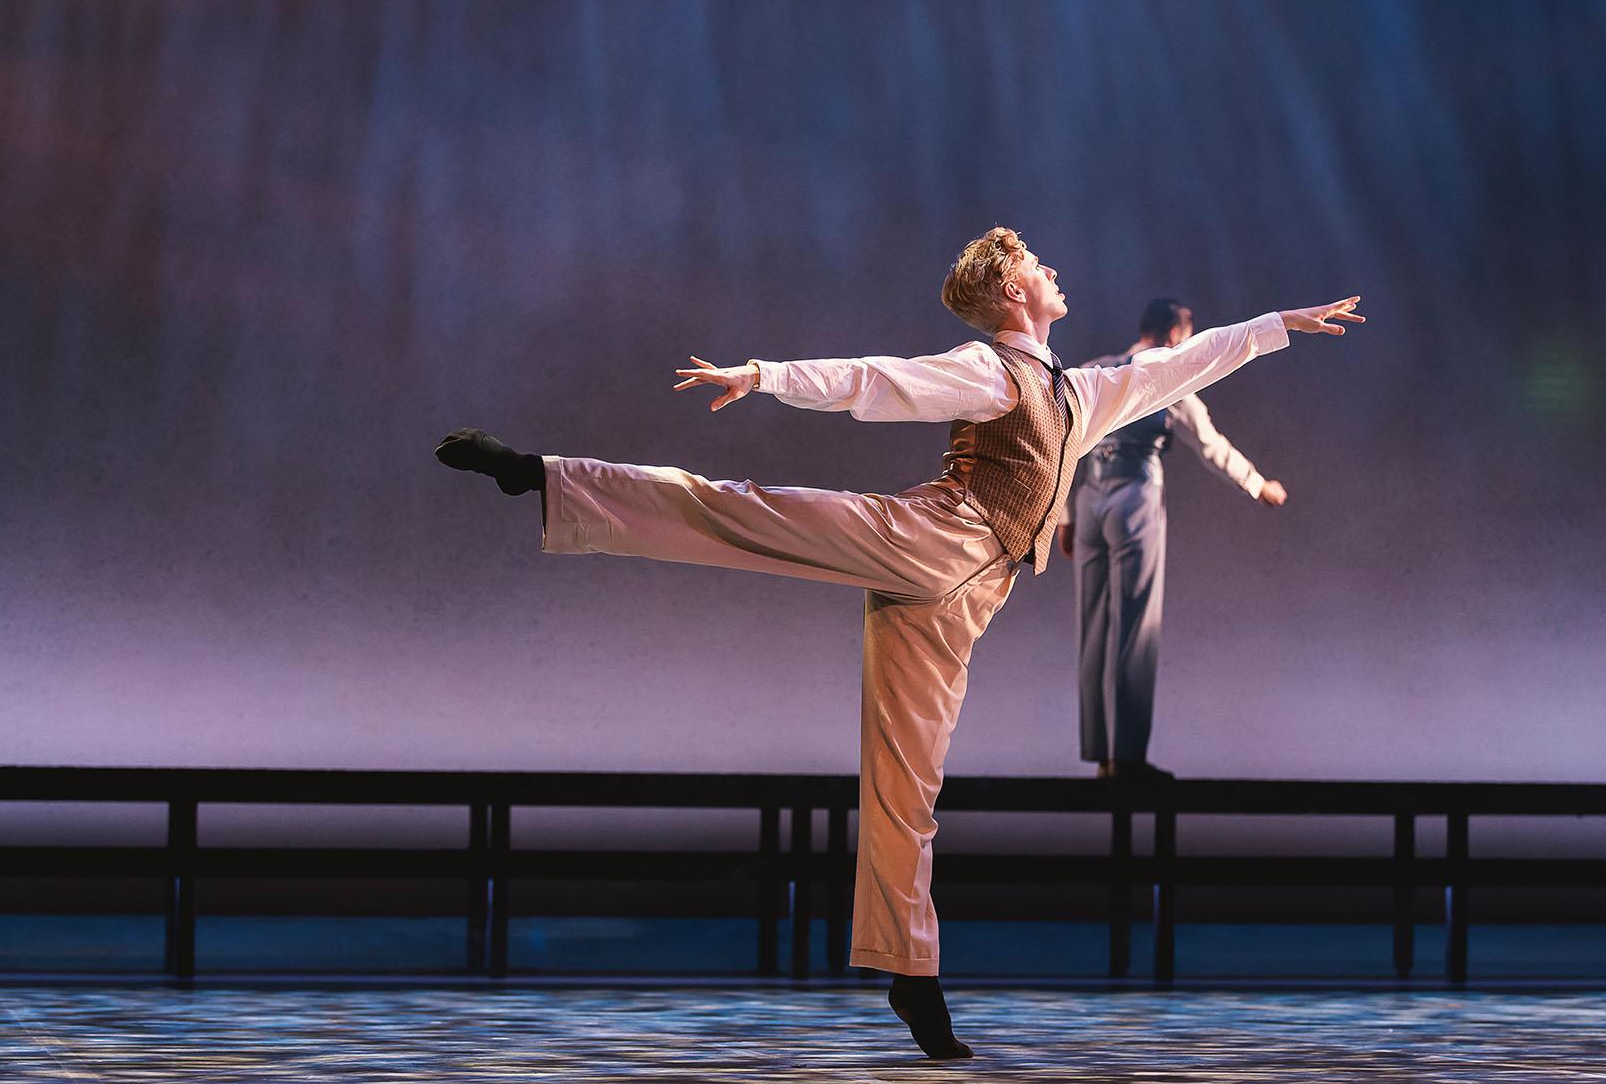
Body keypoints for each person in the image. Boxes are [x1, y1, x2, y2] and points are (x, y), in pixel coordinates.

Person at [435, 227, 1362, 1057]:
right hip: (927, 536)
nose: (1055, 269)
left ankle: (911, 975)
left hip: (962, 597)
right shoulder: (991, 368)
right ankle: (539, 477)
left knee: (906, 782)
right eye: (1039, 263)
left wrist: (1281, 321)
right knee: (746, 513)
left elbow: (1185, 365)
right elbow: (877, 381)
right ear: (1011, 292)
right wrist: (762, 376)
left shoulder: (1082, 392)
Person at [1061, 298, 1288, 783]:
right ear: (1172, 337)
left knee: (1094, 626)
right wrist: (1257, 483)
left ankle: (1102, 754)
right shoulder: (1169, 376)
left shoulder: (1093, 372)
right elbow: (1209, 443)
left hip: (1090, 502)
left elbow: (1063, 447)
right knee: (1136, 627)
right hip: (1135, 499)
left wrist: (1063, 517)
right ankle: (1128, 758)